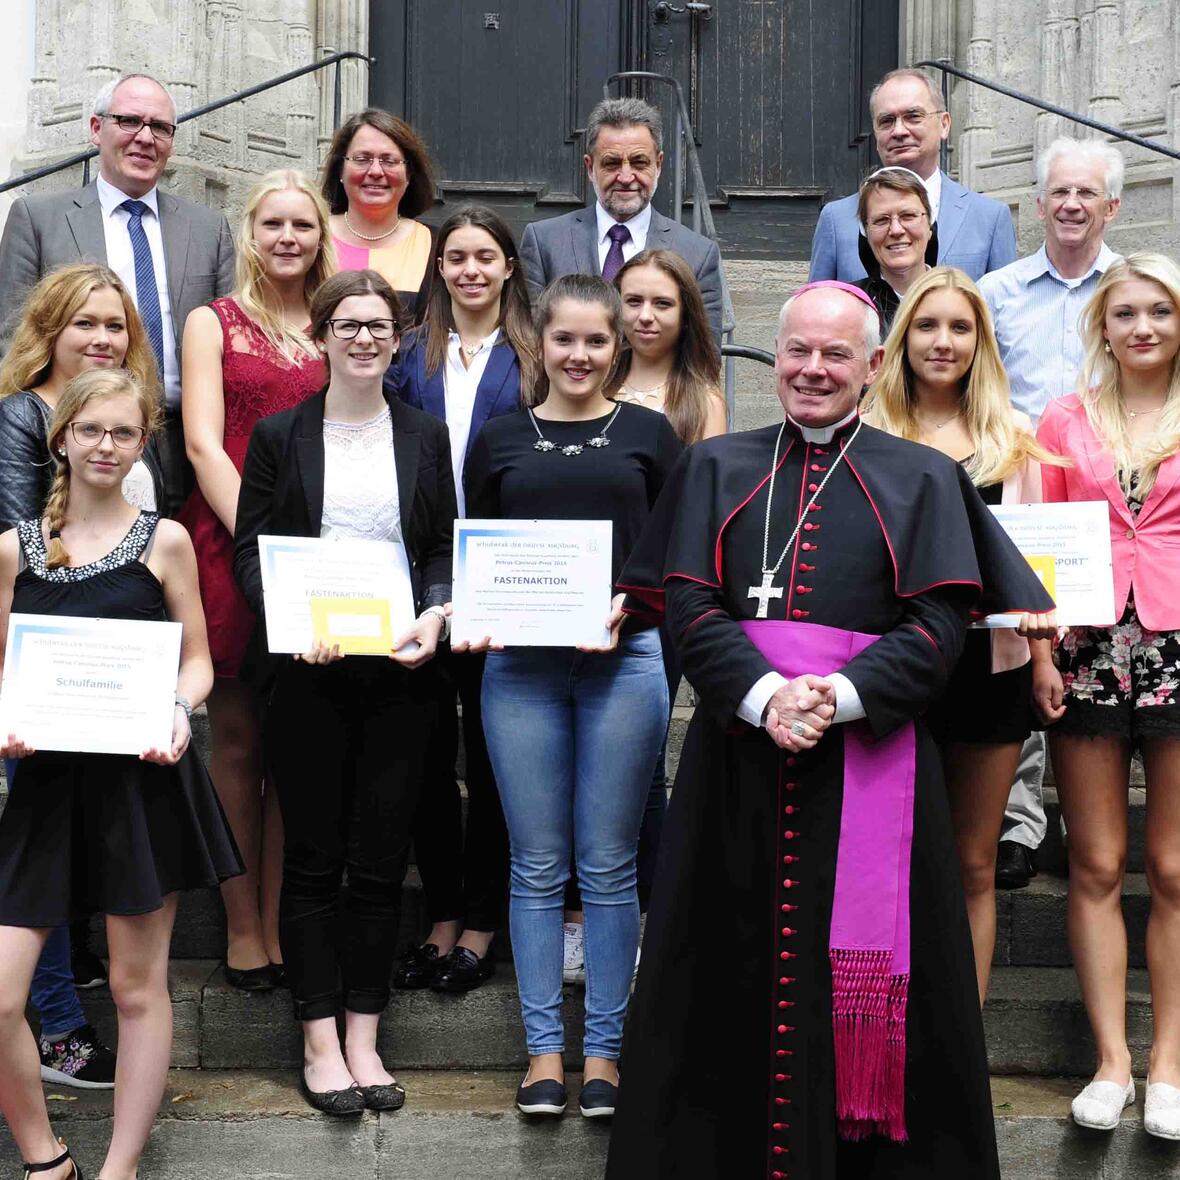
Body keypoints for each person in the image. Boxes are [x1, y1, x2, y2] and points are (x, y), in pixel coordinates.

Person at [607, 280, 1053, 1177]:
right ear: (776, 360)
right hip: (737, 762)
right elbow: (689, 606)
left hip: (871, 766)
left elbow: (938, 628)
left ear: (874, 365)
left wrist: (838, 698)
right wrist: (768, 696)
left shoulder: (923, 477)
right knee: (720, 973)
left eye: (836, 354)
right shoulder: (715, 467)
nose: (813, 370)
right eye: (797, 352)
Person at [0, 367, 241, 1180]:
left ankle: (121, 1168)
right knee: (0, 997)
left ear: (144, 442)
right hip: (45, 788)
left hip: (141, 783)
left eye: (124, 432)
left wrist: (179, 707)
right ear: (61, 436)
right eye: (90, 430)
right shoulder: (12, 549)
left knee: (140, 989)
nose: (106, 446)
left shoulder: (165, 539)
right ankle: (46, 1159)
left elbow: (200, 662)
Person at [233, 269, 455, 1116]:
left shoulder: (425, 437)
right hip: (310, 674)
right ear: (321, 335)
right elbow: (254, 550)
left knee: (378, 863)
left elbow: (439, 544)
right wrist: (292, 621)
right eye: (348, 324)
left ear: (397, 339)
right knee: (315, 862)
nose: (364, 337)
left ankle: (365, 1037)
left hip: (404, 675)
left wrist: (435, 614)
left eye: (379, 325)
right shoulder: (282, 436)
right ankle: (318, 1040)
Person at [462, 273, 682, 1119]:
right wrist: (469, 611)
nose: (580, 355)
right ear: (540, 344)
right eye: (565, 340)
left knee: (610, 864)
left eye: (596, 341)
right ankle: (543, 1051)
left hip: (623, 665)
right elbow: (472, 547)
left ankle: (606, 1055)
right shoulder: (501, 436)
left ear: (617, 345)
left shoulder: (652, 436)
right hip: (519, 670)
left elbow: (675, 557)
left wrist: (637, 606)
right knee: (537, 862)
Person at [861, 265, 1063, 1003]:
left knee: (974, 863)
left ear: (981, 343)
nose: (942, 342)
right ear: (901, 335)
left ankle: (961, 1036)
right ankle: (885, 1019)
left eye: (960, 328)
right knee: (893, 857)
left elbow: (1031, 563)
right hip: (893, 665)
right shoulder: (868, 432)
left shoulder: (1012, 438)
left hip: (989, 666)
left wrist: (1042, 655)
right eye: (927, 325)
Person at [0, 260, 166, 1090]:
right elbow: (28, 545)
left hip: (120, 698)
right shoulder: (20, 420)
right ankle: (61, 1023)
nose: (101, 336)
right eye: (84, 322)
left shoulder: (133, 419)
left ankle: (68, 1013)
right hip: (47, 686)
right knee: (37, 880)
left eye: (115, 324)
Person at [1033, 252, 1180, 1139]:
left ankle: (1170, 1064)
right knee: (1093, 865)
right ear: (1103, 326)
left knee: (1173, 868)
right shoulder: (1064, 417)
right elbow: (1037, 549)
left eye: (1159, 311)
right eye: (1125, 313)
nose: (1143, 328)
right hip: (1087, 653)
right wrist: (1041, 649)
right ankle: (1112, 1064)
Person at [178, 170, 332, 991]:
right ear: (250, 232)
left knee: (296, 745)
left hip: (325, 551)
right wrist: (265, 546)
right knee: (236, 740)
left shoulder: (339, 320)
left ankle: (281, 919)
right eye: (271, 222)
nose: (286, 237)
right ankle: (241, 925)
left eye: (301, 224)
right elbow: (203, 444)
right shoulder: (215, 322)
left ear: (319, 236)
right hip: (230, 542)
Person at [386, 204, 536, 994]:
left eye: (485, 256)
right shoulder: (408, 354)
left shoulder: (539, 355)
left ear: (509, 266)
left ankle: (481, 921)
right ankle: (440, 914)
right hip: (414, 578)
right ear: (437, 267)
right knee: (423, 762)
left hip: (508, 581)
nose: (470, 269)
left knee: (492, 756)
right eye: (456, 257)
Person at [980, 136, 1125, 890]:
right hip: (1028, 498)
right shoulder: (998, 292)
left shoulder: (1133, 288)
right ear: (1036, 204)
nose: (1071, 205)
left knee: (1093, 657)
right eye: (1058, 193)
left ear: (1112, 206)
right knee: (1028, 644)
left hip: (1118, 501)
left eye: (1086, 194)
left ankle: (1088, 823)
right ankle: (1021, 823)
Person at [0, 73, 236, 515]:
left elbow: (229, 345)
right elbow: (12, 336)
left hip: (187, 439)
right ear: (96, 129)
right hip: (73, 439)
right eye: (129, 121)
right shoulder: (38, 217)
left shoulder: (209, 230)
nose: (145, 138)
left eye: (160, 127)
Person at [519, 97, 724, 341]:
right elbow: (529, 345)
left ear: (658, 165)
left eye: (639, 162)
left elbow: (703, 361)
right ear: (589, 167)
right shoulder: (544, 243)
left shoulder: (698, 255)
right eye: (612, 163)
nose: (626, 177)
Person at [809, 68, 1016, 284]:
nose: (899, 131)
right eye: (887, 121)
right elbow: (815, 310)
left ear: (944, 124)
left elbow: (1005, 313)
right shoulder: (836, 219)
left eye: (913, 116)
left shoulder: (990, 217)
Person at [320, 109, 437, 326]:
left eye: (389, 161)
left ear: (409, 174)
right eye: (362, 159)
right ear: (340, 170)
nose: (375, 171)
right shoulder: (313, 238)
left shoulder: (437, 244)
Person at [852, 167, 938, 332]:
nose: (896, 230)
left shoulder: (958, 301)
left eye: (908, 216)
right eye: (881, 220)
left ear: (930, 227)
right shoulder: (849, 304)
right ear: (866, 232)